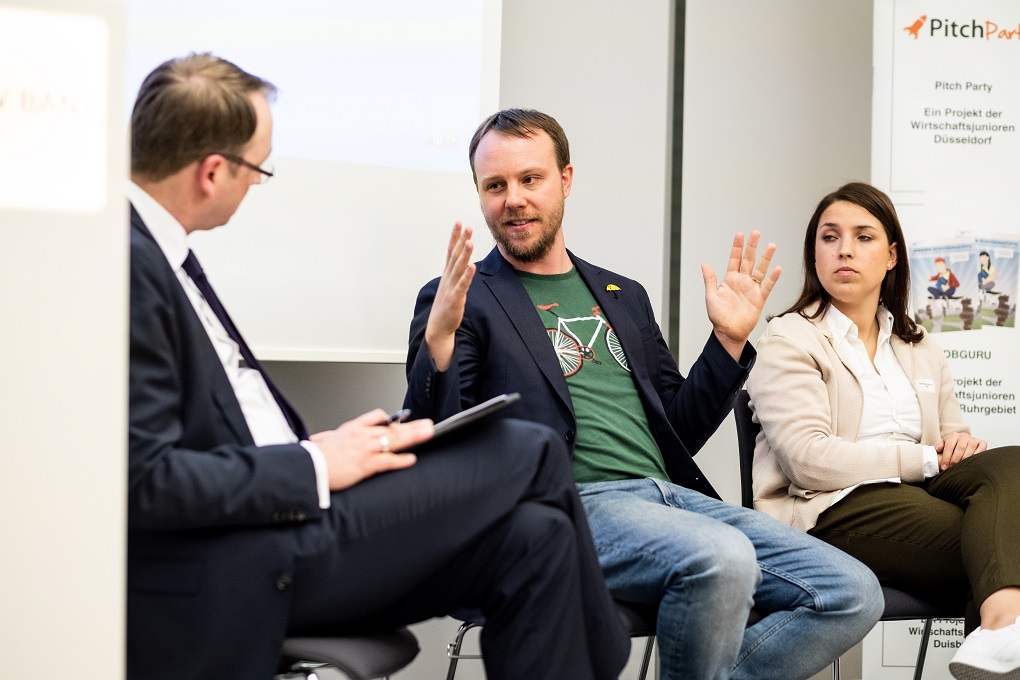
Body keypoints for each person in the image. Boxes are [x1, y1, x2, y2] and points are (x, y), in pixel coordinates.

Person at [127, 55, 629, 680]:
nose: (256, 184)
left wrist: (321, 448)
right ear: (211, 172)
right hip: (253, 552)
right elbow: (145, 481)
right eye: (258, 168)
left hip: (286, 510)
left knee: (537, 537)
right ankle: (609, 655)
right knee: (531, 447)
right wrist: (313, 464)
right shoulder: (130, 265)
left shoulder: (160, 255)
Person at [404, 108, 883, 680]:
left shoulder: (622, 294)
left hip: (671, 502)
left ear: (566, 179)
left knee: (851, 591)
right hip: (565, 508)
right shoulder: (463, 297)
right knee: (721, 558)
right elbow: (435, 439)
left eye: (531, 179)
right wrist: (438, 345)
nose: (514, 199)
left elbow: (678, 431)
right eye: (495, 186)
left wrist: (729, 341)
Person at [746, 181, 1020, 680]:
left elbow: (954, 439)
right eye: (830, 237)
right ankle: (1001, 628)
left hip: (921, 498)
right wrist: (926, 458)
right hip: (830, 508)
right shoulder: (789, 337)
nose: (844, 249)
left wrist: (961, 446)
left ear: (891, 256)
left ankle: (1001, 628)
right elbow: (807, 460)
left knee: (1012, 464)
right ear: (815, 254)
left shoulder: (919, 345)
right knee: (998, 544)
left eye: (863, 236)